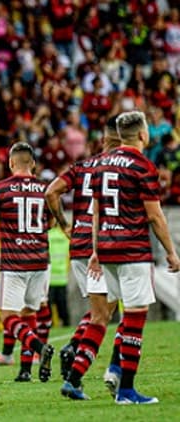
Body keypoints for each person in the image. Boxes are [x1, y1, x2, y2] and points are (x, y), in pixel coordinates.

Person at [63, 111, 180, 403]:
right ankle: (126, 390)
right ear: (143, 135)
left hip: (106, 251)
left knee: (110, 315)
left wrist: (94, 251)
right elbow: (154, 215)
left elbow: (96, 212)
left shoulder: (99, 164)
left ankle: (107, 372)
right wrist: (171, 251)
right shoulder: (142, 164)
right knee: (135, 318)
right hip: (132, 250)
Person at [45, 116, 124, 385]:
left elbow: (51, 192)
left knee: (101, 310)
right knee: (108, 312)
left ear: (103, 140)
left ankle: (74, 348)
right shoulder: (124, 167)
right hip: (103, 247)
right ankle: (86, 369)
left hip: (78, 245)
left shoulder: (81, 167)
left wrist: (64, 224)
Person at [0, 142, 55, 383]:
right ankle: (24, 370)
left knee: (8, 316)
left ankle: (38, 347)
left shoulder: (1, 189)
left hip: (14, 262)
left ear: (11, 163)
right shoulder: (45, 188)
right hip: (40, 260)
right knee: (29, 312)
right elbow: (50, 222)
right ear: (33, 164)